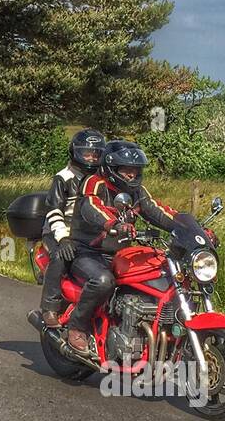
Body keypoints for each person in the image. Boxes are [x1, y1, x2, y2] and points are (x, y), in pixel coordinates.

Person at [53, 140, 178, 357]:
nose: (131, 175)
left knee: (161, 275)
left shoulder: (137, 191)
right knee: (103, 281)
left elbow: (157, 211)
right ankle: (76, 327)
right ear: (112, 169)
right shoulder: (94, 183)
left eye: (135, 170)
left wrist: (190, 227)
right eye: (126, 170)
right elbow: (92, 207)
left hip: (119, 254)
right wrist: (114, 224)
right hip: (87, 252)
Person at [38, 128, 106, 333]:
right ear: (76, 152)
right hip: (58, 230)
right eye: (87, 152)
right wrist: (63, 237)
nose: (92, 157)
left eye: (96, 153)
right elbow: (54, 210)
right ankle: (49, 306)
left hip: (85, 234)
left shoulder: (99, 180)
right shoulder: (64, 177)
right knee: (61, 255)